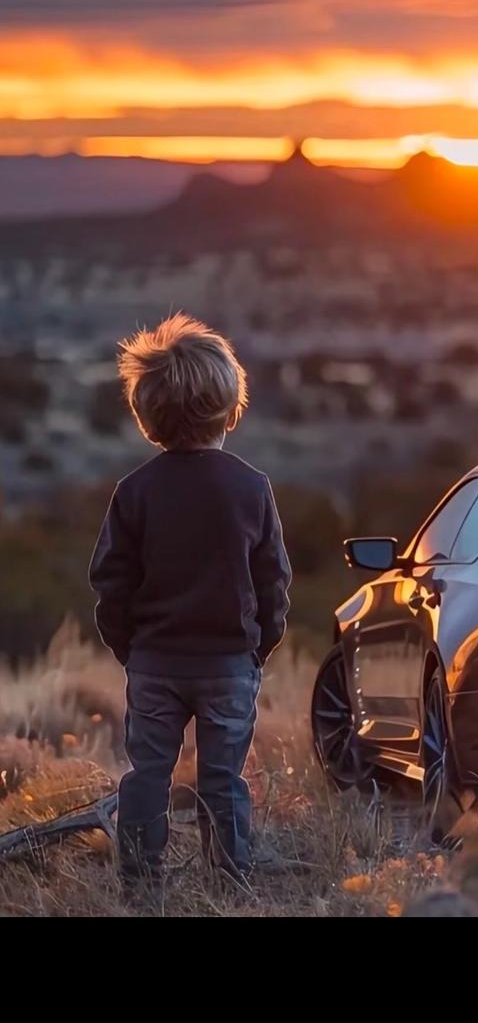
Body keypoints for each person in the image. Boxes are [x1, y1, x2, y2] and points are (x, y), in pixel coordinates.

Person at [89, 314, 291, 888]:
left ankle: (139, 883)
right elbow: (274, 581)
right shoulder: (251, 488)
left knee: (148, 774)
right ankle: (231, 880)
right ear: (230, 407)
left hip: (154, 663)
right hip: (229, 664)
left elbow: (110, 583)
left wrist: (133, 650)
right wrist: (256, 647)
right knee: (223, 778)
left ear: (148, 416)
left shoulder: (134, 492)